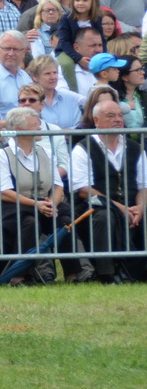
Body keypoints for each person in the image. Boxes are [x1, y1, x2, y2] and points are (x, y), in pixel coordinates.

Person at [70, 97, 146, 282]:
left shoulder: (136, 148)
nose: (118, 119)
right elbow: (83, 189)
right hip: (94, 207)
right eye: (111, 115)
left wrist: (140, 207)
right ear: (96, 121)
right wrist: (120, 208)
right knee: (105, 216)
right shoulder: (82, 148)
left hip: (132, 205)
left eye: (120, 115)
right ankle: (106, 273)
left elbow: (143, 186)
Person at [0, 107, 67, 283]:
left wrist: (52, 204)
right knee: (29, 223)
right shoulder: (2, 154)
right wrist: (36, 205)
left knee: (66, 221)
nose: (40, 129)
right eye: (35, 125)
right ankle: (19, 274)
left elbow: (58, 185)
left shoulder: (45, 152)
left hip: (44, 203)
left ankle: (75, 273)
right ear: (19, 129)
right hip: (13, 206)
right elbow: (4, 192)